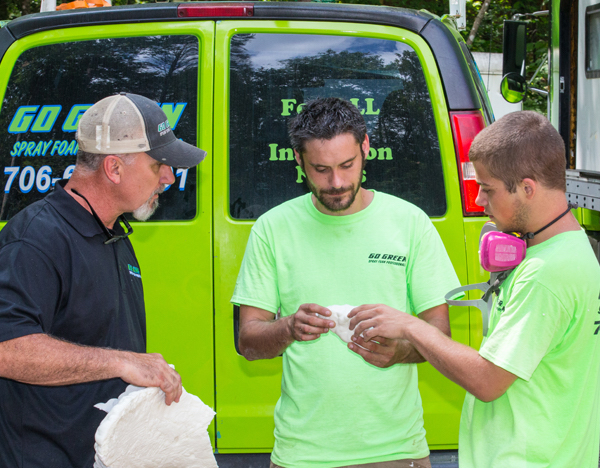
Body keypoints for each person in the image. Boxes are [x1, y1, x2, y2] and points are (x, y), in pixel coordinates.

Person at [349, 111, 600, 467]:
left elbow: (487, 380)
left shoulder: (546, 275)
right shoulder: (572, 251)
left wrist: (410, 326)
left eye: (489, 188)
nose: (481, 201)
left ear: (528, 188)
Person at [232, 97, 460, 468]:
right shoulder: (272, 229)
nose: (336, 182)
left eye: (347, 165)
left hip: (396, 451)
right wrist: (289, 327)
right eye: (320, 169)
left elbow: (440, 336)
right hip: (301, 455)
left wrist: (399, 352)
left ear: (366, 146)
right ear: (298, 159)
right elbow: (249, 343)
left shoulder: (410, 223)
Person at [0, 93, 206, 468]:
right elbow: (6, 348)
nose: (169, 176)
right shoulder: (36, 238)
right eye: (159, 163)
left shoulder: (115, 235)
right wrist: (121, 362)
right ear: (114, 168)